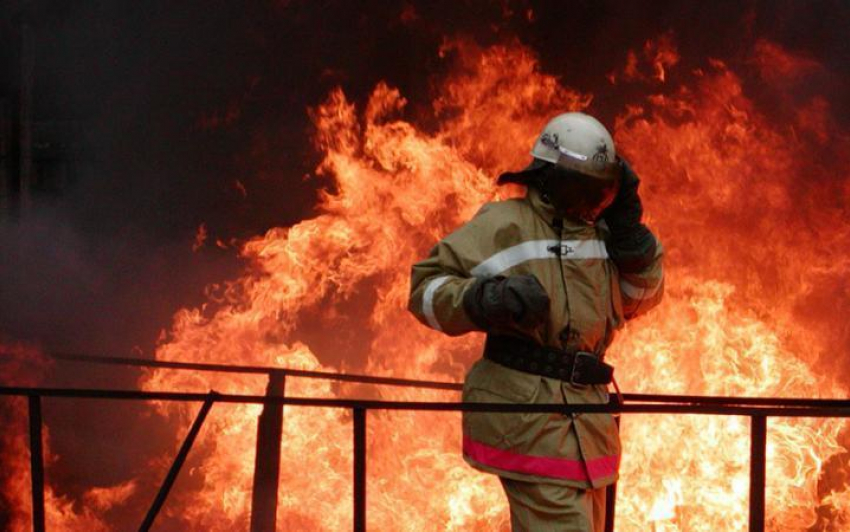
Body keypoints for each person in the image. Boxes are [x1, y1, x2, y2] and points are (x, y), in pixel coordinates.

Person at [408, 112, 664, 531]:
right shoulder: (505, 225)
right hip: (527, 417)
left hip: (587, 424)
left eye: (602, 191)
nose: (591, 203)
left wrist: (634, 242)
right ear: (548, 177)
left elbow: (638, 300)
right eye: (581, 189)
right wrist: (484, 298)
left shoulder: (602, 236)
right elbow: (425, 291)